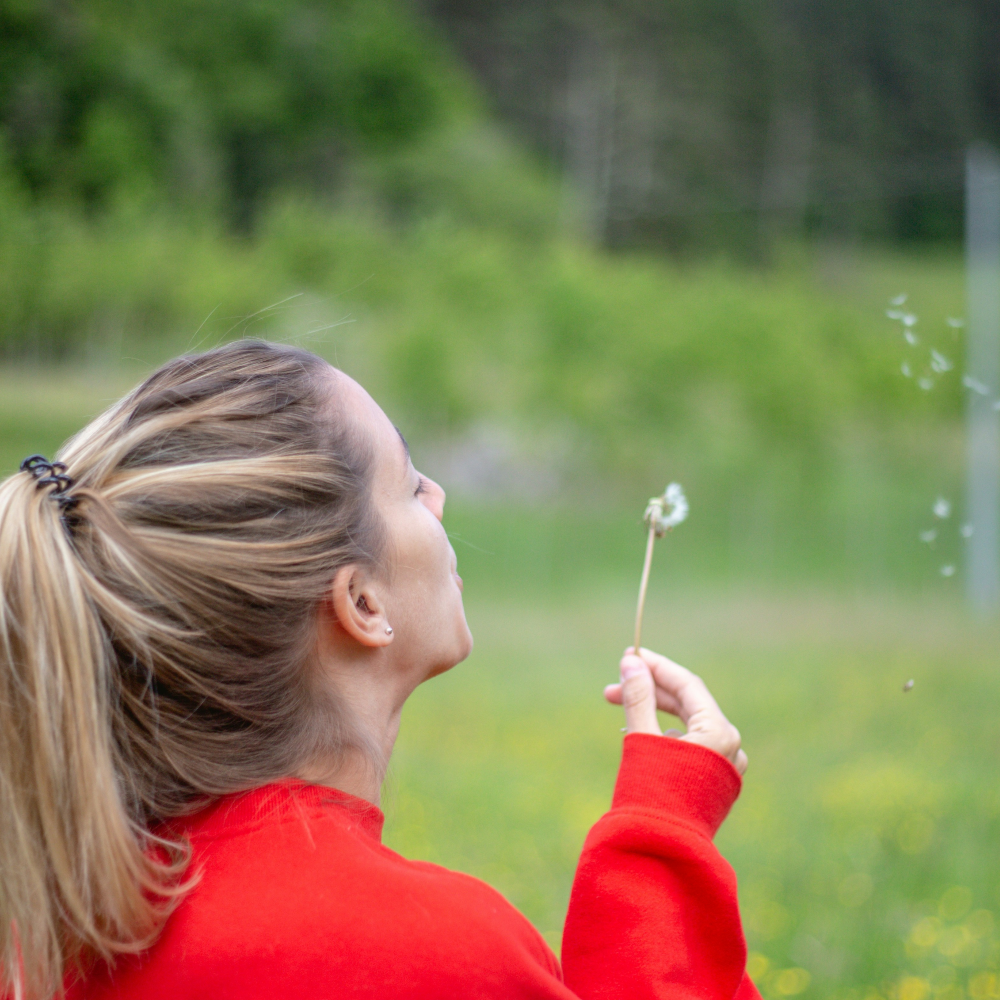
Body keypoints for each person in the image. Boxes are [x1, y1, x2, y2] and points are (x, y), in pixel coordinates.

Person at [0, 339, 758, 1000]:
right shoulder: (430, 955)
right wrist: (663, 849)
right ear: (361, 602)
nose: (440, 496)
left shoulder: (44, 935)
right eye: (407, 485)